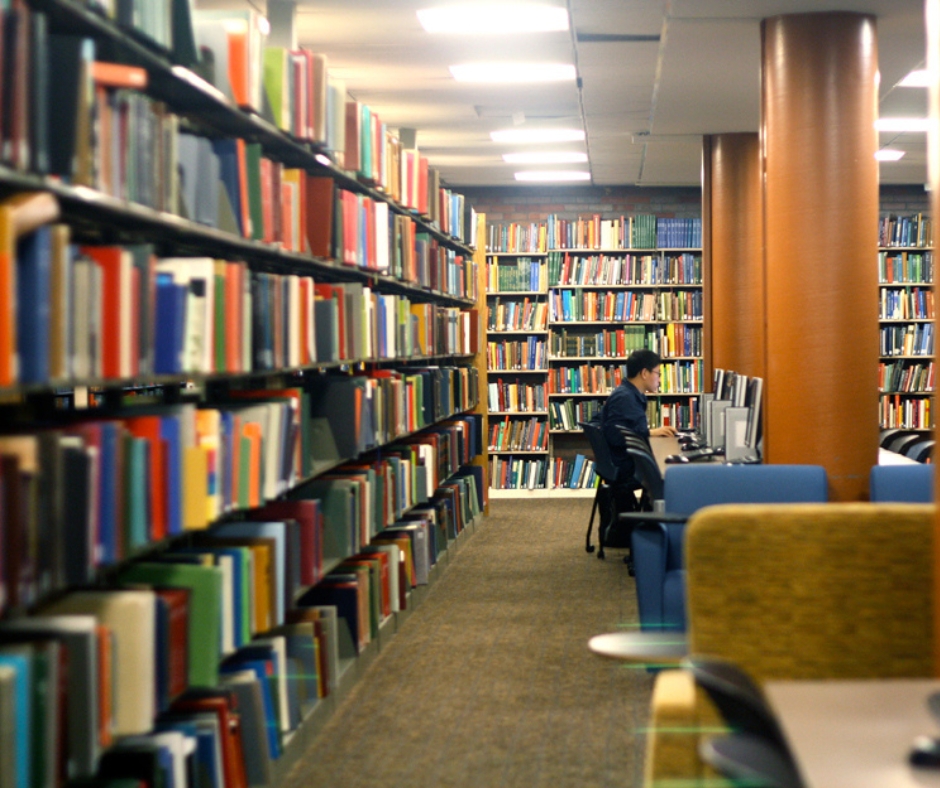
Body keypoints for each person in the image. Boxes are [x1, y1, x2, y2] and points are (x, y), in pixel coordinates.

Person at [600, 349, 677, 484]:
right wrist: (650, 432)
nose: (659, 379)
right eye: (658, 374)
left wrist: (650, 433)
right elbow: (615, 435)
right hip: (628, 466)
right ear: (644, 373)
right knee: (673, 471)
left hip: (627, 461)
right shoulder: (625, 398)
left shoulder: (629, 394)